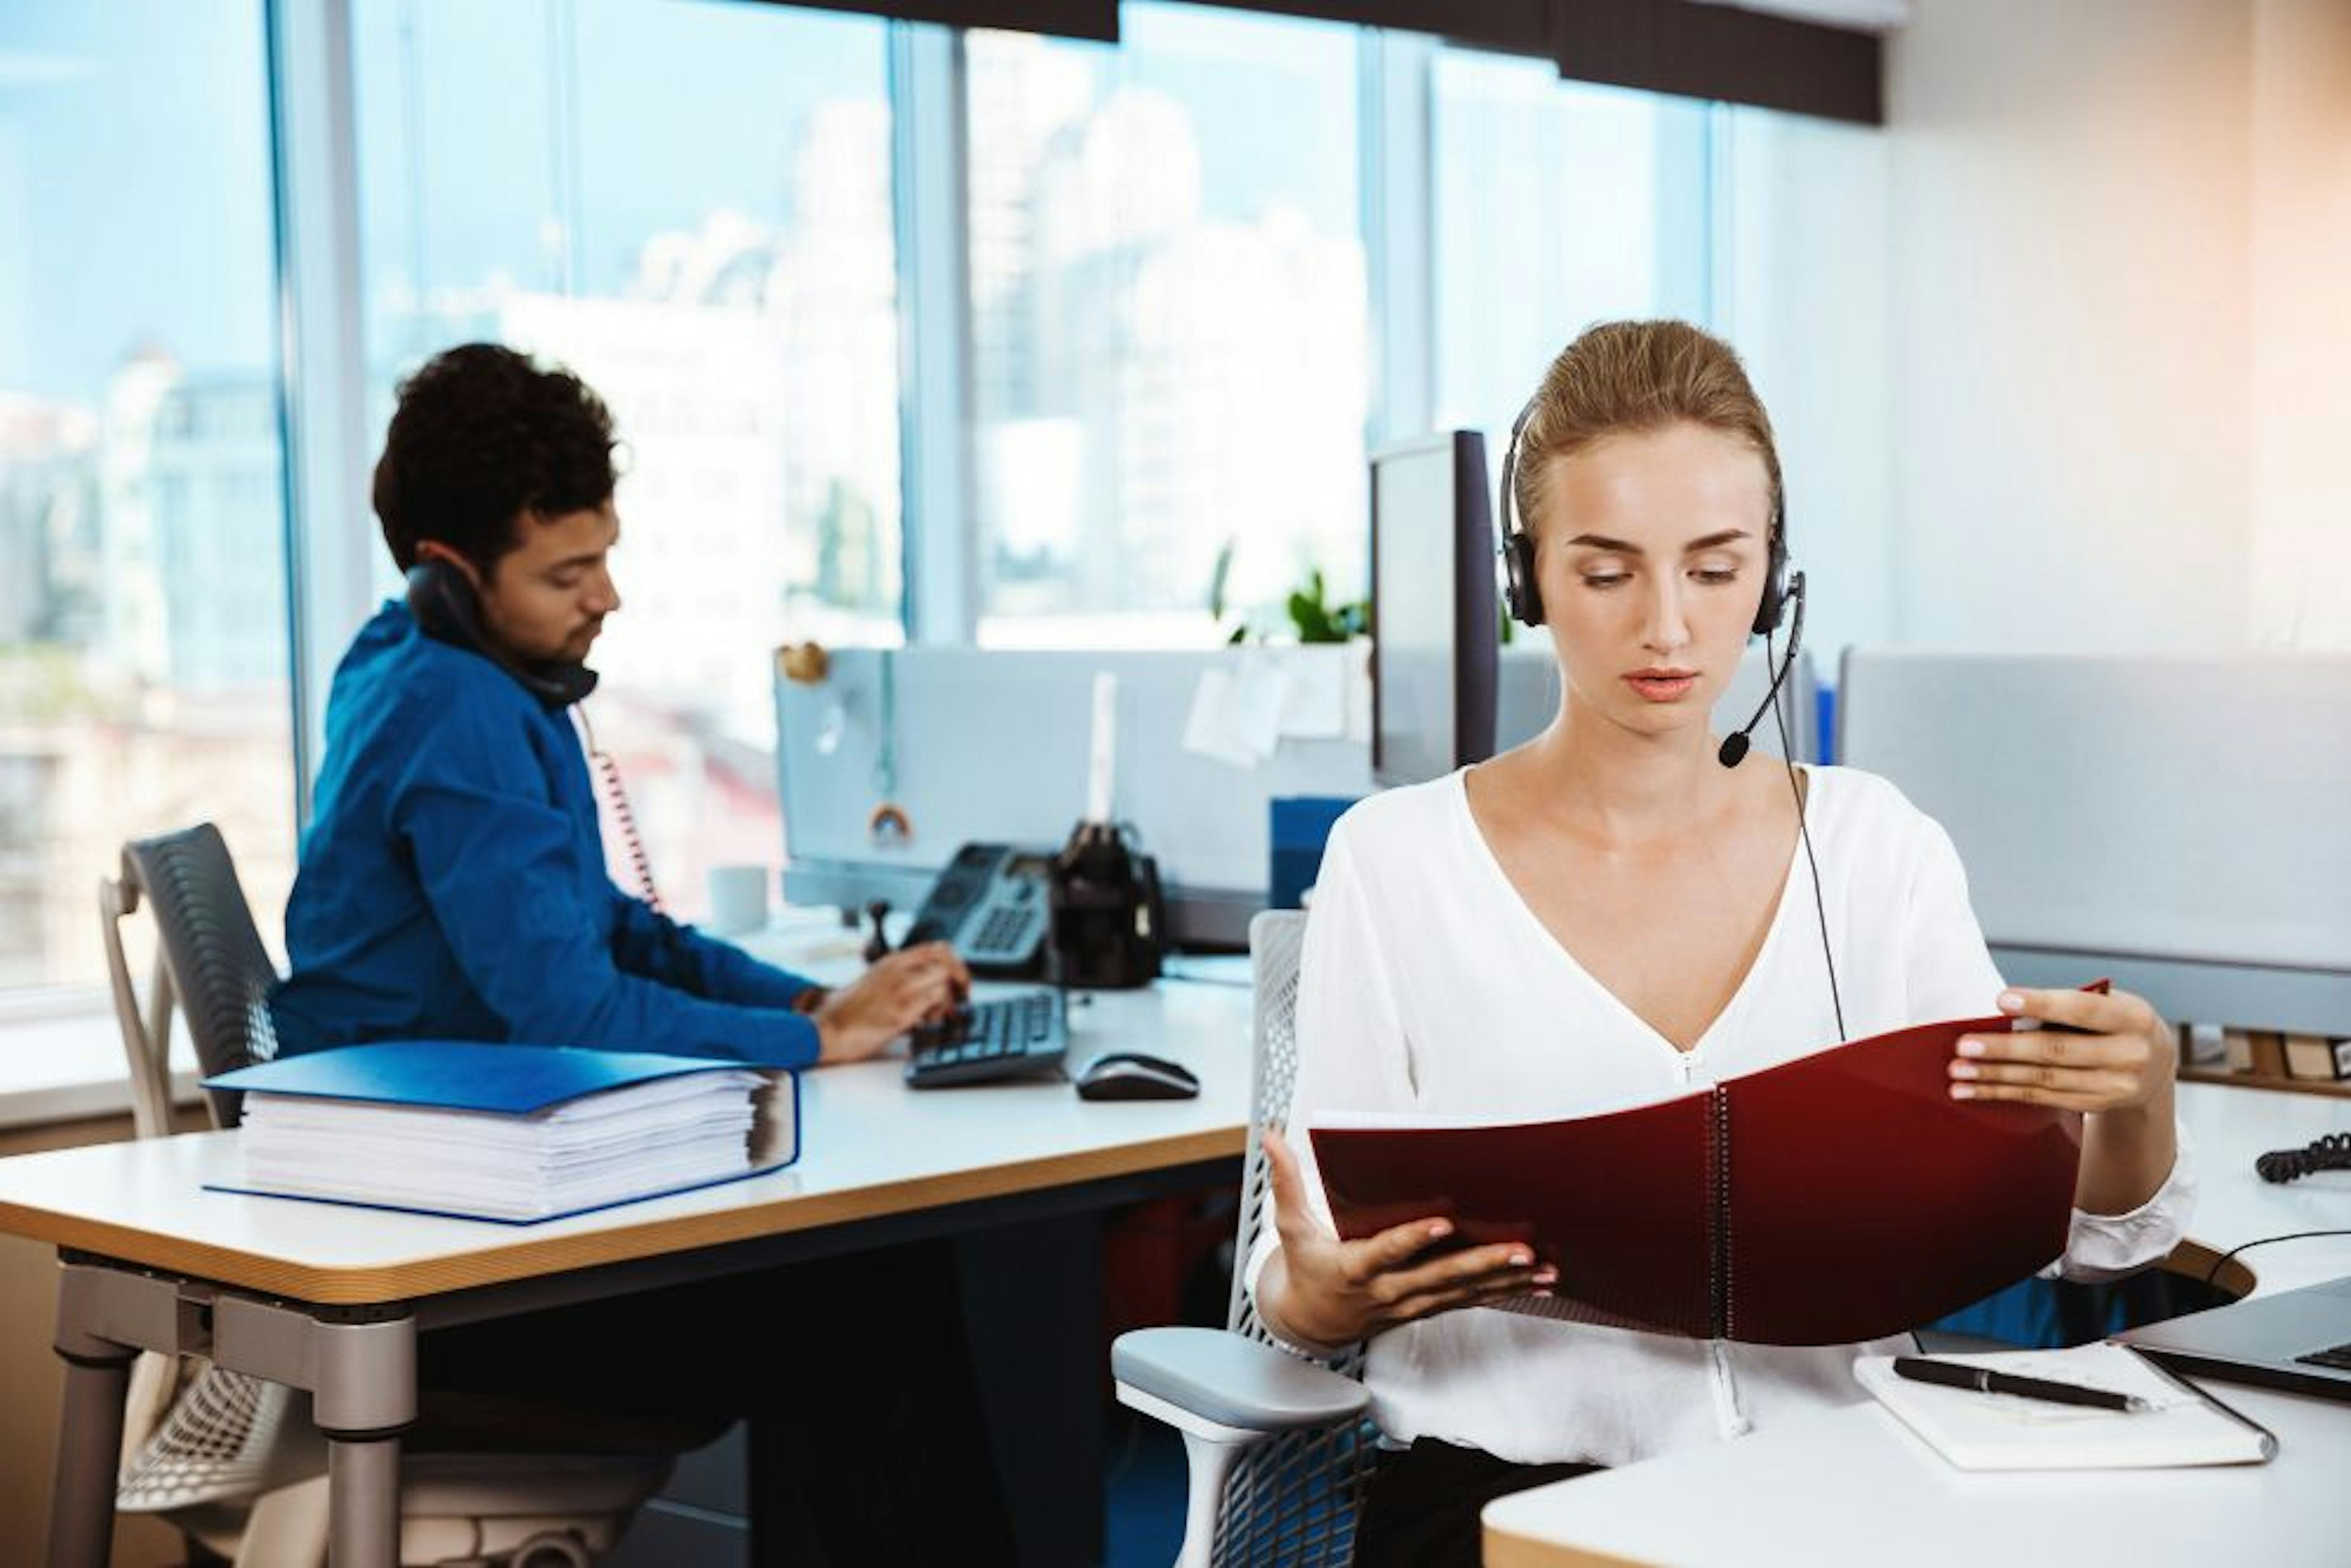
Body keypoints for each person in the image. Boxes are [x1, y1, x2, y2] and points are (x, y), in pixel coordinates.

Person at [1245, 320, 2192, 1567]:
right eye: (1605, 572)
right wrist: (1324, 1295)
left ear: (1773, 576)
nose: (1668, 629)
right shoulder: (1396, 861)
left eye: (1714, 568)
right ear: (1525, 578)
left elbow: (2080, 1234)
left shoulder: (1873, 848)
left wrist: (2139, 1097)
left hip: (1839, 1489)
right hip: (1505, 1505)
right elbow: (1300, 1280)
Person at [268, 342, 1015, 1566]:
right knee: (871, 1296)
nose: (605, 595)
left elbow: (618, 933)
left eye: (604, 556)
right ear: (454, 575)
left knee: (874, 1274)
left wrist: (817, 1000)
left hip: (474, 1200)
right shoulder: (456, 710)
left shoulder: (469, 676)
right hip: (443, 1273)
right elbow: (567, 1010)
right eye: (570, 569)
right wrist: (816, 1041)